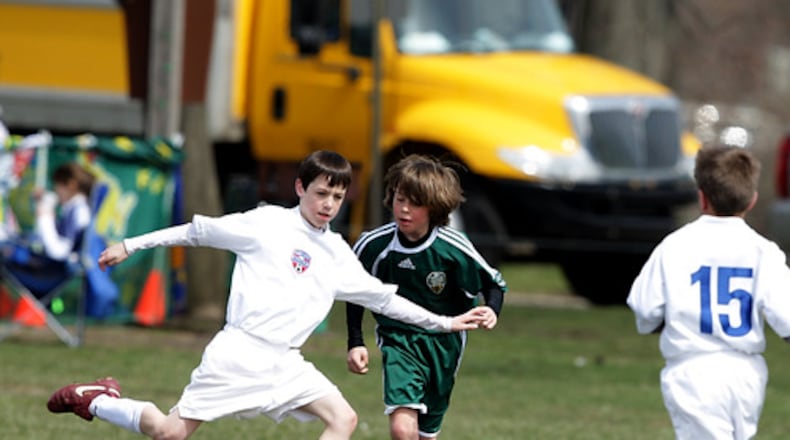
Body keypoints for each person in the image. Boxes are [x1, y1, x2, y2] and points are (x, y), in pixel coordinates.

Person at [46, 150, 489, 440]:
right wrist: (131, 244)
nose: (328, 205)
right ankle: (99, 399)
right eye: (320, 193)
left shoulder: (336, 251)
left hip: (286, 361)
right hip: (238, 353)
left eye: (337, 196)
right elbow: (197, 232)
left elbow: (384, 299)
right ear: (300, 188)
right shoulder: (266, 224)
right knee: (169, 432)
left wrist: (447, 322)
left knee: (344, 419)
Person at [627, 145, 790, 440]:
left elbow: (645, 308)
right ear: (752, 200)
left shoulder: (674, 246)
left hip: (694, 370)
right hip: (747, 374)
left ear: (701, 196)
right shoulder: (765, 252)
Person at [346, 154, 506, 439]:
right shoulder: (374, 245)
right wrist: (355, 341)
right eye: (399, 199)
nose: (404, 209)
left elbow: (493, 283)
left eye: (415, 203)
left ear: (434, 207)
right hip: (399, 338)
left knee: (426, 434)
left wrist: (492, 309)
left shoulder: (453, 247)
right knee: (401, 429)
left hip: (445, 342)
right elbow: (357, 293)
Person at [3, 162, 96, 297]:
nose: (56, 191)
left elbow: (58, 252)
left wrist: (44, 217)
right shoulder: (74, 208)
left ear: (71, 185)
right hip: (50, 268)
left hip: (51, 274)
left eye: (58, 186)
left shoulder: (79, 212)